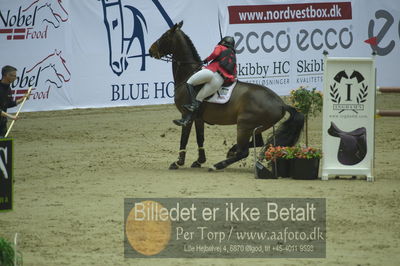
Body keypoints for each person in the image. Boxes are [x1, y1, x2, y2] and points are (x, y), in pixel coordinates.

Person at [173, 36, 237, 126]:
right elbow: (234, 74)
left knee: (189, 82)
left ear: (223, 42)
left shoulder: (220, 47)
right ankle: (186, 120)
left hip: (210, 72)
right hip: (219, 80)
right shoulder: (233, 56)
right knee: (199, 98)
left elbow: (215, 54)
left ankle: (190, 109)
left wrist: (206, 60)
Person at [0, 65, 30, 137]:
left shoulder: (8, 88)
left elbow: (9, 104)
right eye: (14, 76)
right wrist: (10, 116)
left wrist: (23, 99)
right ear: (7, 75)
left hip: (2, 124)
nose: (15, 78)